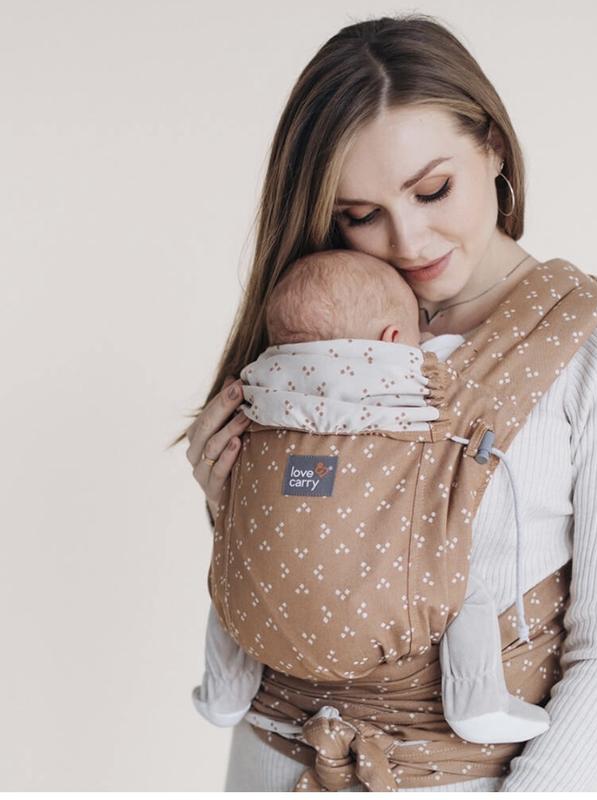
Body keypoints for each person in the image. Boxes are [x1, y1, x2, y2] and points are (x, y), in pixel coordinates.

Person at [170, 13, 597, 792]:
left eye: (433, 190)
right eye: (359, 214)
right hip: (271, 762)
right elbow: (303, 572)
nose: (407, 240)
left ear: (493, 147)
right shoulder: (321, 325)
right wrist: (229, 501)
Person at [192, 247, 551, 746]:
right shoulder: (411, 385)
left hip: (254, 619)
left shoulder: (259, 386)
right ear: (394, 339)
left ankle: (224, 690)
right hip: (384, 613)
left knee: (232, 575)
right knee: (467, 590)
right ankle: (477, 700)